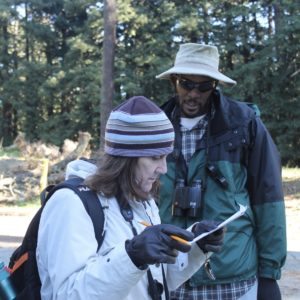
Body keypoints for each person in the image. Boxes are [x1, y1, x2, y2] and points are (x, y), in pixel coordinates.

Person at [36, 95, 225, 300]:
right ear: (125, 159)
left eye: (165, 157)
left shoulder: (142, 199)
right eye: (155, 157)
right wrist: (132, 256)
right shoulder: (70, 203)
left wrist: (197, 245)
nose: (163, 168)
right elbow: (68, 295)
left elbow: (155, 281)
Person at [156, 43, 287, 300]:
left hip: (232, 279)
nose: (194, 94)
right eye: (186, 84)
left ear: (214, 86)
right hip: (169, 275)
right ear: (174, 81)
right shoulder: (156, 125)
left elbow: (268, 197)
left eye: (203, 86)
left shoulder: (244, 123)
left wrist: (269, 274)